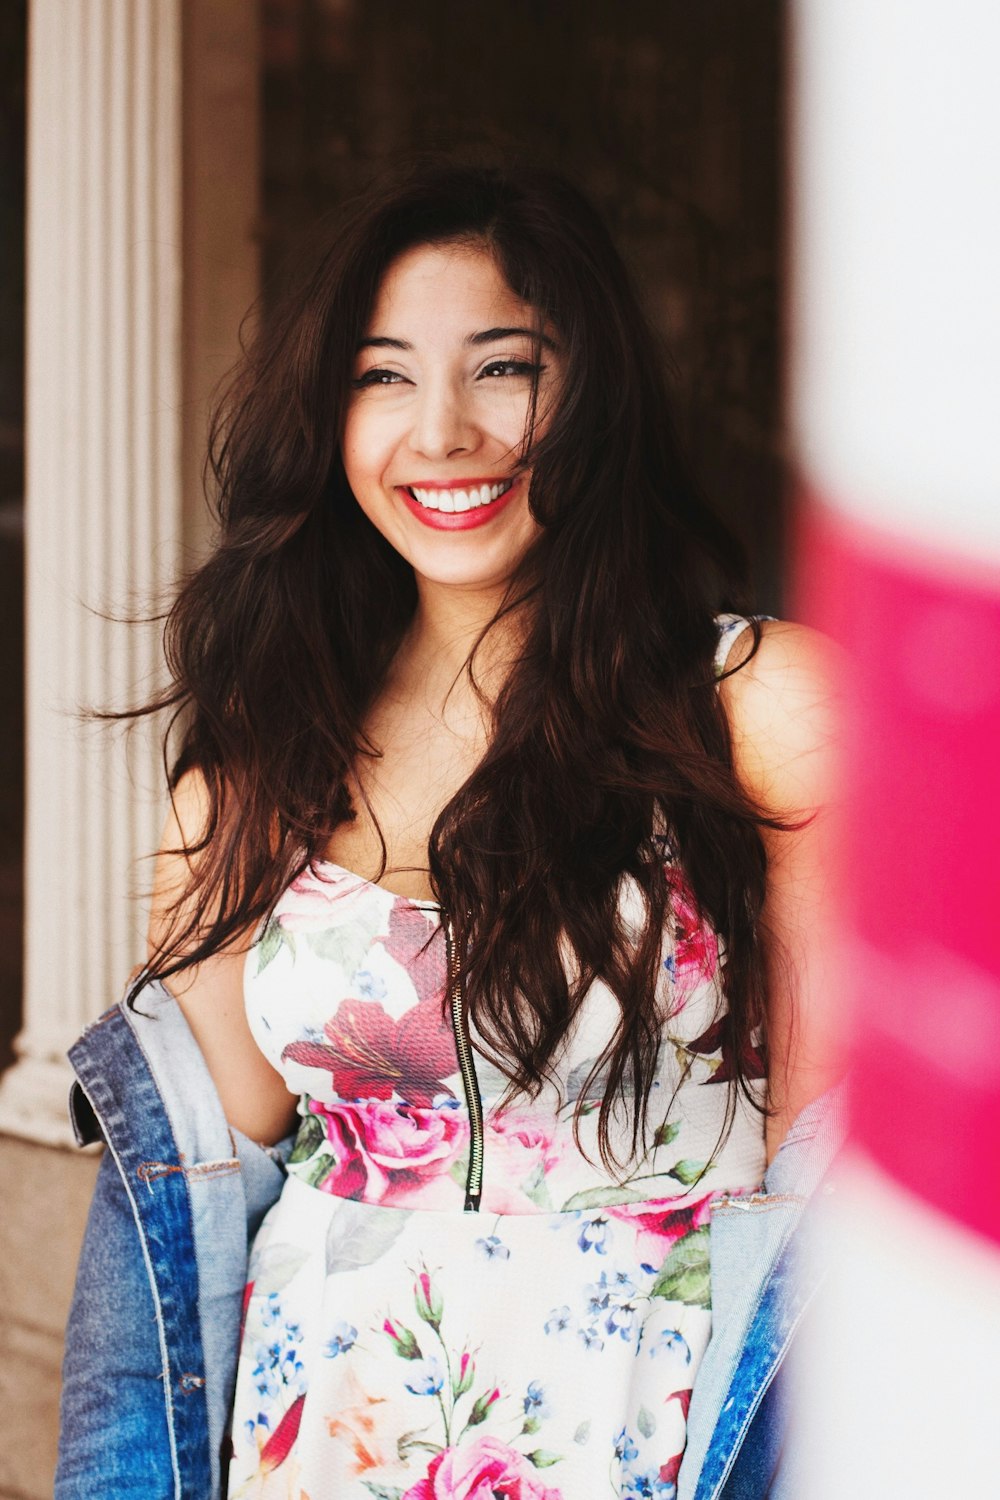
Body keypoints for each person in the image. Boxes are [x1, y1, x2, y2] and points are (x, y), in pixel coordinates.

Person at [56, 161, 840, 1500]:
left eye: (502, 367)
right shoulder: (245, 794)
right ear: (328, 415)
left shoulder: (755, 710)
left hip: (662, 1437)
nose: (444, 432)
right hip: (320, 1440)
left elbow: (845, 1184)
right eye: (382, 375)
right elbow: (173, 1238)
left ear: (589, 393)